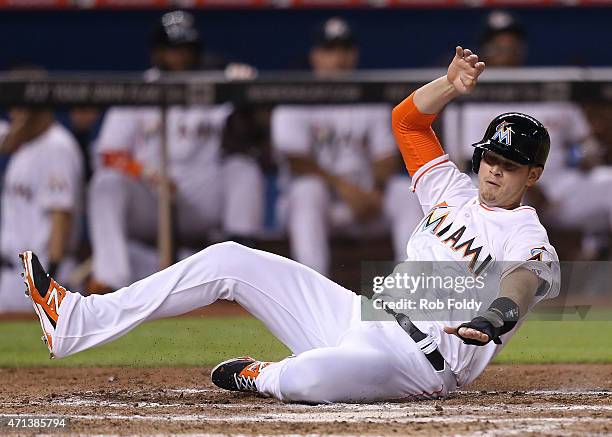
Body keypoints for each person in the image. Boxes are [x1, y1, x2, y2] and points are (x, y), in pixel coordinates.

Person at [21, 45, 560, 404]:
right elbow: (406, 119)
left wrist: (495, 318)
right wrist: (448, 84)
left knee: (308, 378)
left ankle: (263, 375)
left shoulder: (528, 236)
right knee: (230, 258)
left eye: (509, 164)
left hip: (419, 364)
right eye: (490, 157)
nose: (494, 169)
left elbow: (522, 281)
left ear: (532, 173)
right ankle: (76, 320)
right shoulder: (451, 189)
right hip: (362, 316)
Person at [87, 10, 264, 293]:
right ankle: (110, 279)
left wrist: (245, 96)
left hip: (203, 197)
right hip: (153, 197)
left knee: (244, 169)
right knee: (106, 182)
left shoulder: (215, 86)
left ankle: (242, 273)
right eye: (173, 50)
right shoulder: (139, 91)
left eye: (187, 49)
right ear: (157, 52)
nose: (181, 57)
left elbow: (253, 137)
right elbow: (107, 155)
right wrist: (143, 172)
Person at [442, 10, 610, 259]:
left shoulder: (549, 88)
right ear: (486, 50)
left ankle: (595, 250)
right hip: (506, 188)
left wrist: (586, 157)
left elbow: (587, 147)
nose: (506, 49)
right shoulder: (471, 98)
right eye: (498, 44)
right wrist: (525, 184)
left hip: (562, 189)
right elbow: (467, 161)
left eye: (512, 43)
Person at [272, 17, 423, 275]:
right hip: (322, 206)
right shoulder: (295, 97)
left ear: (354, 54)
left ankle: (412, 286)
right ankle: (314, 285)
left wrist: (375, 190)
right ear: (315, 55)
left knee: (405, 192)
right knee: (307, 191)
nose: (338, 58)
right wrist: (343, 188)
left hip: (366, 202)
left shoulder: (369, 97)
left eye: (344, 50)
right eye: (329, 50)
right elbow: (296, 161)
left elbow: (386, 156)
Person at [0, 105, 83, 313]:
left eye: (18, 107)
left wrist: (48, 282)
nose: (13, 113)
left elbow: (61, 216)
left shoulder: (57, 146)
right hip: (15, 277)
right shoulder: (26, 145)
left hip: (41, 275)